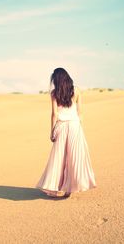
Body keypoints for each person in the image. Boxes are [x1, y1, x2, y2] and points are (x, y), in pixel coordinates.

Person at [35, 68, 96, 198]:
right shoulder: (77, 90)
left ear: (56, 80)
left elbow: (54, 114)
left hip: (61, 126)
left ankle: (56, 187)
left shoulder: (54, 93)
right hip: (75, 126)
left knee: (59, 158)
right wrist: (81, 128)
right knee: (74, 158)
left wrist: (52, 131)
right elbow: (80, 112)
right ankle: (70, 188)